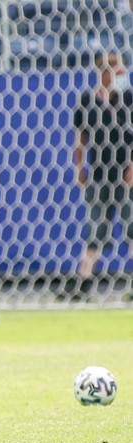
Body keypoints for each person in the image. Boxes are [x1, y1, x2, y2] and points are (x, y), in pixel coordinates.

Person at [73, 50, 133, 278]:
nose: (122, 75)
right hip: (98, 175)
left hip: (126, 175)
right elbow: (80, 138)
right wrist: (79, 168)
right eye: (117, 71)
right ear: (104, 73)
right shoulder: (88, 101)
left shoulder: (128, 99)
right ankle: (84, 280)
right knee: (95, 228)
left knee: (132, 227)